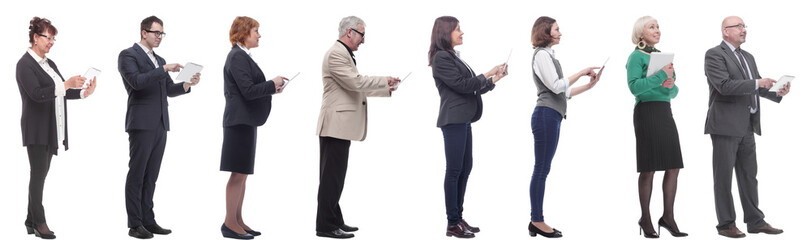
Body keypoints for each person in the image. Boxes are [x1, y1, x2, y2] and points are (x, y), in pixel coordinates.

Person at [315, 16, 400, 239]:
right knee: (331, 178)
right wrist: (384, 80)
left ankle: (334, 220)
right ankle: (325, 226)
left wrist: (386, 88)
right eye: (362, 34)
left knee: (336, 177)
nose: (363, 40)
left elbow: (353, 88)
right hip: (335, 125)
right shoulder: (336, 54)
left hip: (340, 126)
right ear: (349, 32)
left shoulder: (343, 54)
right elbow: (356, 83)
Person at [704, 16, 788, 238]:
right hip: (724, 125)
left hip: (747, 125)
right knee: (723, 178)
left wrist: (777, 91)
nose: (744, 30)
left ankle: (755, 221)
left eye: (744, 26)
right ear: (725, 31)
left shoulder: (748, 57)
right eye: (738, 26)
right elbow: (723, 86)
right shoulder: (714, 54)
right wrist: (757, 83)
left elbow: (755, 86)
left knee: (749, 176)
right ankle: (726, 224)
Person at [117, 15, 201, 239]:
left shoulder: (159, 59)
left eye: (162, 33)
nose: (159, 37)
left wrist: (186, 84)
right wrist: (164, 68)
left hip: (161, 123)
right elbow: (136, 82)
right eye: (156, 32)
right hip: (141, 122)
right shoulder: (128, 55)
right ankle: (135, 224)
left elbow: (169, 91)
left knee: (151, 175)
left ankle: (148, 220)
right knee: (137, 173)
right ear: (144, 32)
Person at [16, 16, 97, 240]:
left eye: (54, 38)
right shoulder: (24, 64)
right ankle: (39, 222)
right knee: (38, 175)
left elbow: (62, 91)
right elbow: (37, 94)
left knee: (40, 174)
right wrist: (65, 84)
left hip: (50, 127)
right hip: (36, 128)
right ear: (35, 37)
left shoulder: (49, 64)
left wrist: (82, 92)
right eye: (48, 37)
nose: (51, 42)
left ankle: (29, 220)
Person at [429, 16, 508, 239]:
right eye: (457, 30)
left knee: (465, 168)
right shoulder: (441, 58)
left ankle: (458, 218)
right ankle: (452, 222)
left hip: (464, 119)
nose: (462, 33)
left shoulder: (453, 57)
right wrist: (489, 72)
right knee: (454, 170)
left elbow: (471, 88)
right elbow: (464, 85)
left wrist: (495, 79)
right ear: (446, 33)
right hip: (453, 120)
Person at [526, 16, 601, 238]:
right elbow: (557, 85)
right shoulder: (541, 55)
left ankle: (536, 220)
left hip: (552, 116)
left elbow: (564, 92)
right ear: (545, 31)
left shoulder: (549, 56)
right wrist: (582, 71)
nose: (560, 33)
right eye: (557, 29)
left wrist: (589, 85)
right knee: (541, 169)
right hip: (545, 116)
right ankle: (536, 220)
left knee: (543, 169)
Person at [220, 16, 288, 240]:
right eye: (256, 31)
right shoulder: (237, 57)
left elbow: (249, 89)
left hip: (245, 121)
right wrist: (272, 83)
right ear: (243, 33)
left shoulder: (241, 56)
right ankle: (230, 223)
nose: (259, 35)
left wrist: (271, 88)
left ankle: (238, 220)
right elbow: (248, 91)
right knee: (237, 174)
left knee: (243, 174)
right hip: (238, 122)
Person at [626, 16, 687, 238]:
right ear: (641, 34)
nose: (657, 30)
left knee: (673, 166)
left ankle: (668, 217)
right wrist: (662, 76)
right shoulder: (635, 57)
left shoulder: (663, 58)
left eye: (658, 26)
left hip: (664, 111)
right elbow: (635, 88)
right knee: (648, 167)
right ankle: (646, 218)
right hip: (646, 112)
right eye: (652, 27)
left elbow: (673, 92)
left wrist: (670, 84)